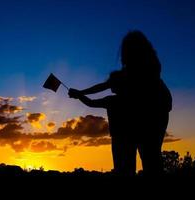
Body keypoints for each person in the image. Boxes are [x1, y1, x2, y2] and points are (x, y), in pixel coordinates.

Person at [69, 30, 172, 175]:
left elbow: (99, 91)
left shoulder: (143, 72)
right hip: (150, 120)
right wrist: (80, 93)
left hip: (146, 120)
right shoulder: (148, 70)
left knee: (140, 160)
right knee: (148, 159)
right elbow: (100, 89)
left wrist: (80, 94)